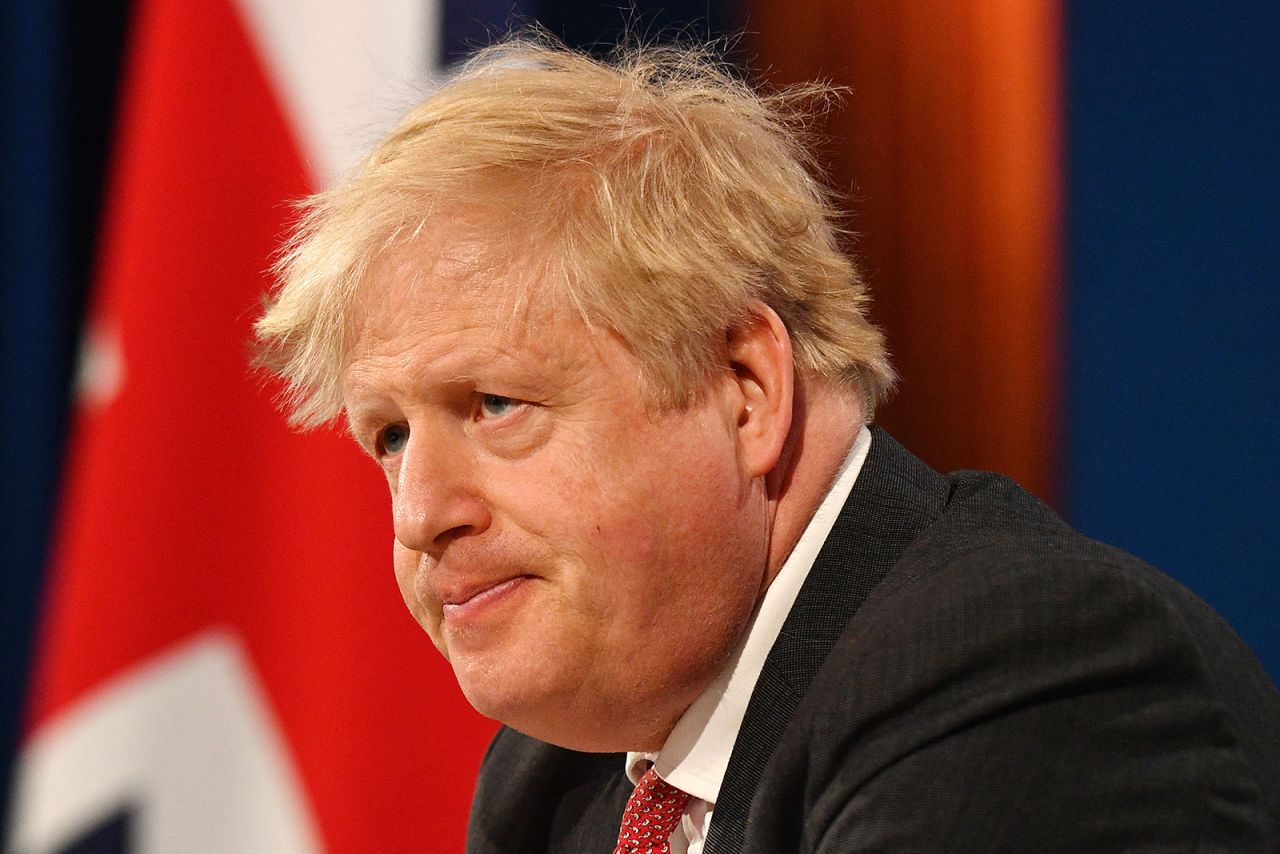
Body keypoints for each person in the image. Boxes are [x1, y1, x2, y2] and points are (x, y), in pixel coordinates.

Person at [253, 37, 1280, 854]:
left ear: (745, 389)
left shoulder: (1016, 671)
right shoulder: (550, 781)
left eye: (491, 403)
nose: (422, 512)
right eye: (387, 434)